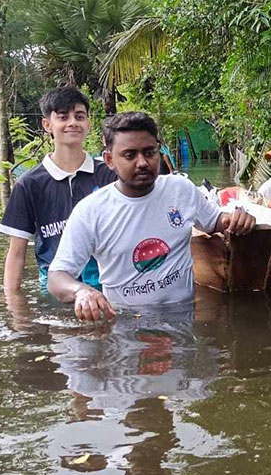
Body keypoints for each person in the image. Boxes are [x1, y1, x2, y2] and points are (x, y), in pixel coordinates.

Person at [47, 112, 255, 321]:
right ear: (110, 159)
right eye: (130, 155)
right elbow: (57, 277)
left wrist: (236, 219)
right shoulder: (90, 211)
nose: (143, 163)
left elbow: (215, 221)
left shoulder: (180, 189)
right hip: (126, 325)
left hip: (183, 319)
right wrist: (81, 291)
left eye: (149, 152)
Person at [0, 86, 116, 292]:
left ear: (88, 123)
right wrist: (15, 309)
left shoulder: (110, 175)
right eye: (63, 117)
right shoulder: (30, 184)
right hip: (56, 292)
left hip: (109, 285)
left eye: (79, 116)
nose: (73, 123)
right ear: (47, 124)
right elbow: (16, 254)